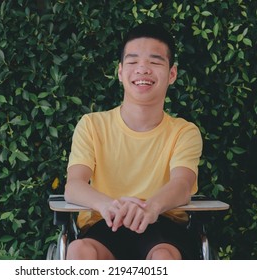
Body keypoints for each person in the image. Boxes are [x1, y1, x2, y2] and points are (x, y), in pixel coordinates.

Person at [64, 23, 203, 260]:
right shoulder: (92, 125)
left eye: (155, 61)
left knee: (164, 259)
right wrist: (108, 205)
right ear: (120, 72)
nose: (143, 69)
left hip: (163, 226)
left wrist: (150, 208)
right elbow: (74, 185)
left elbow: (182, 185)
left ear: (172, 74)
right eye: (133, 61)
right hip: (106, 223)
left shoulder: (184, 131)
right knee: (78, 251)